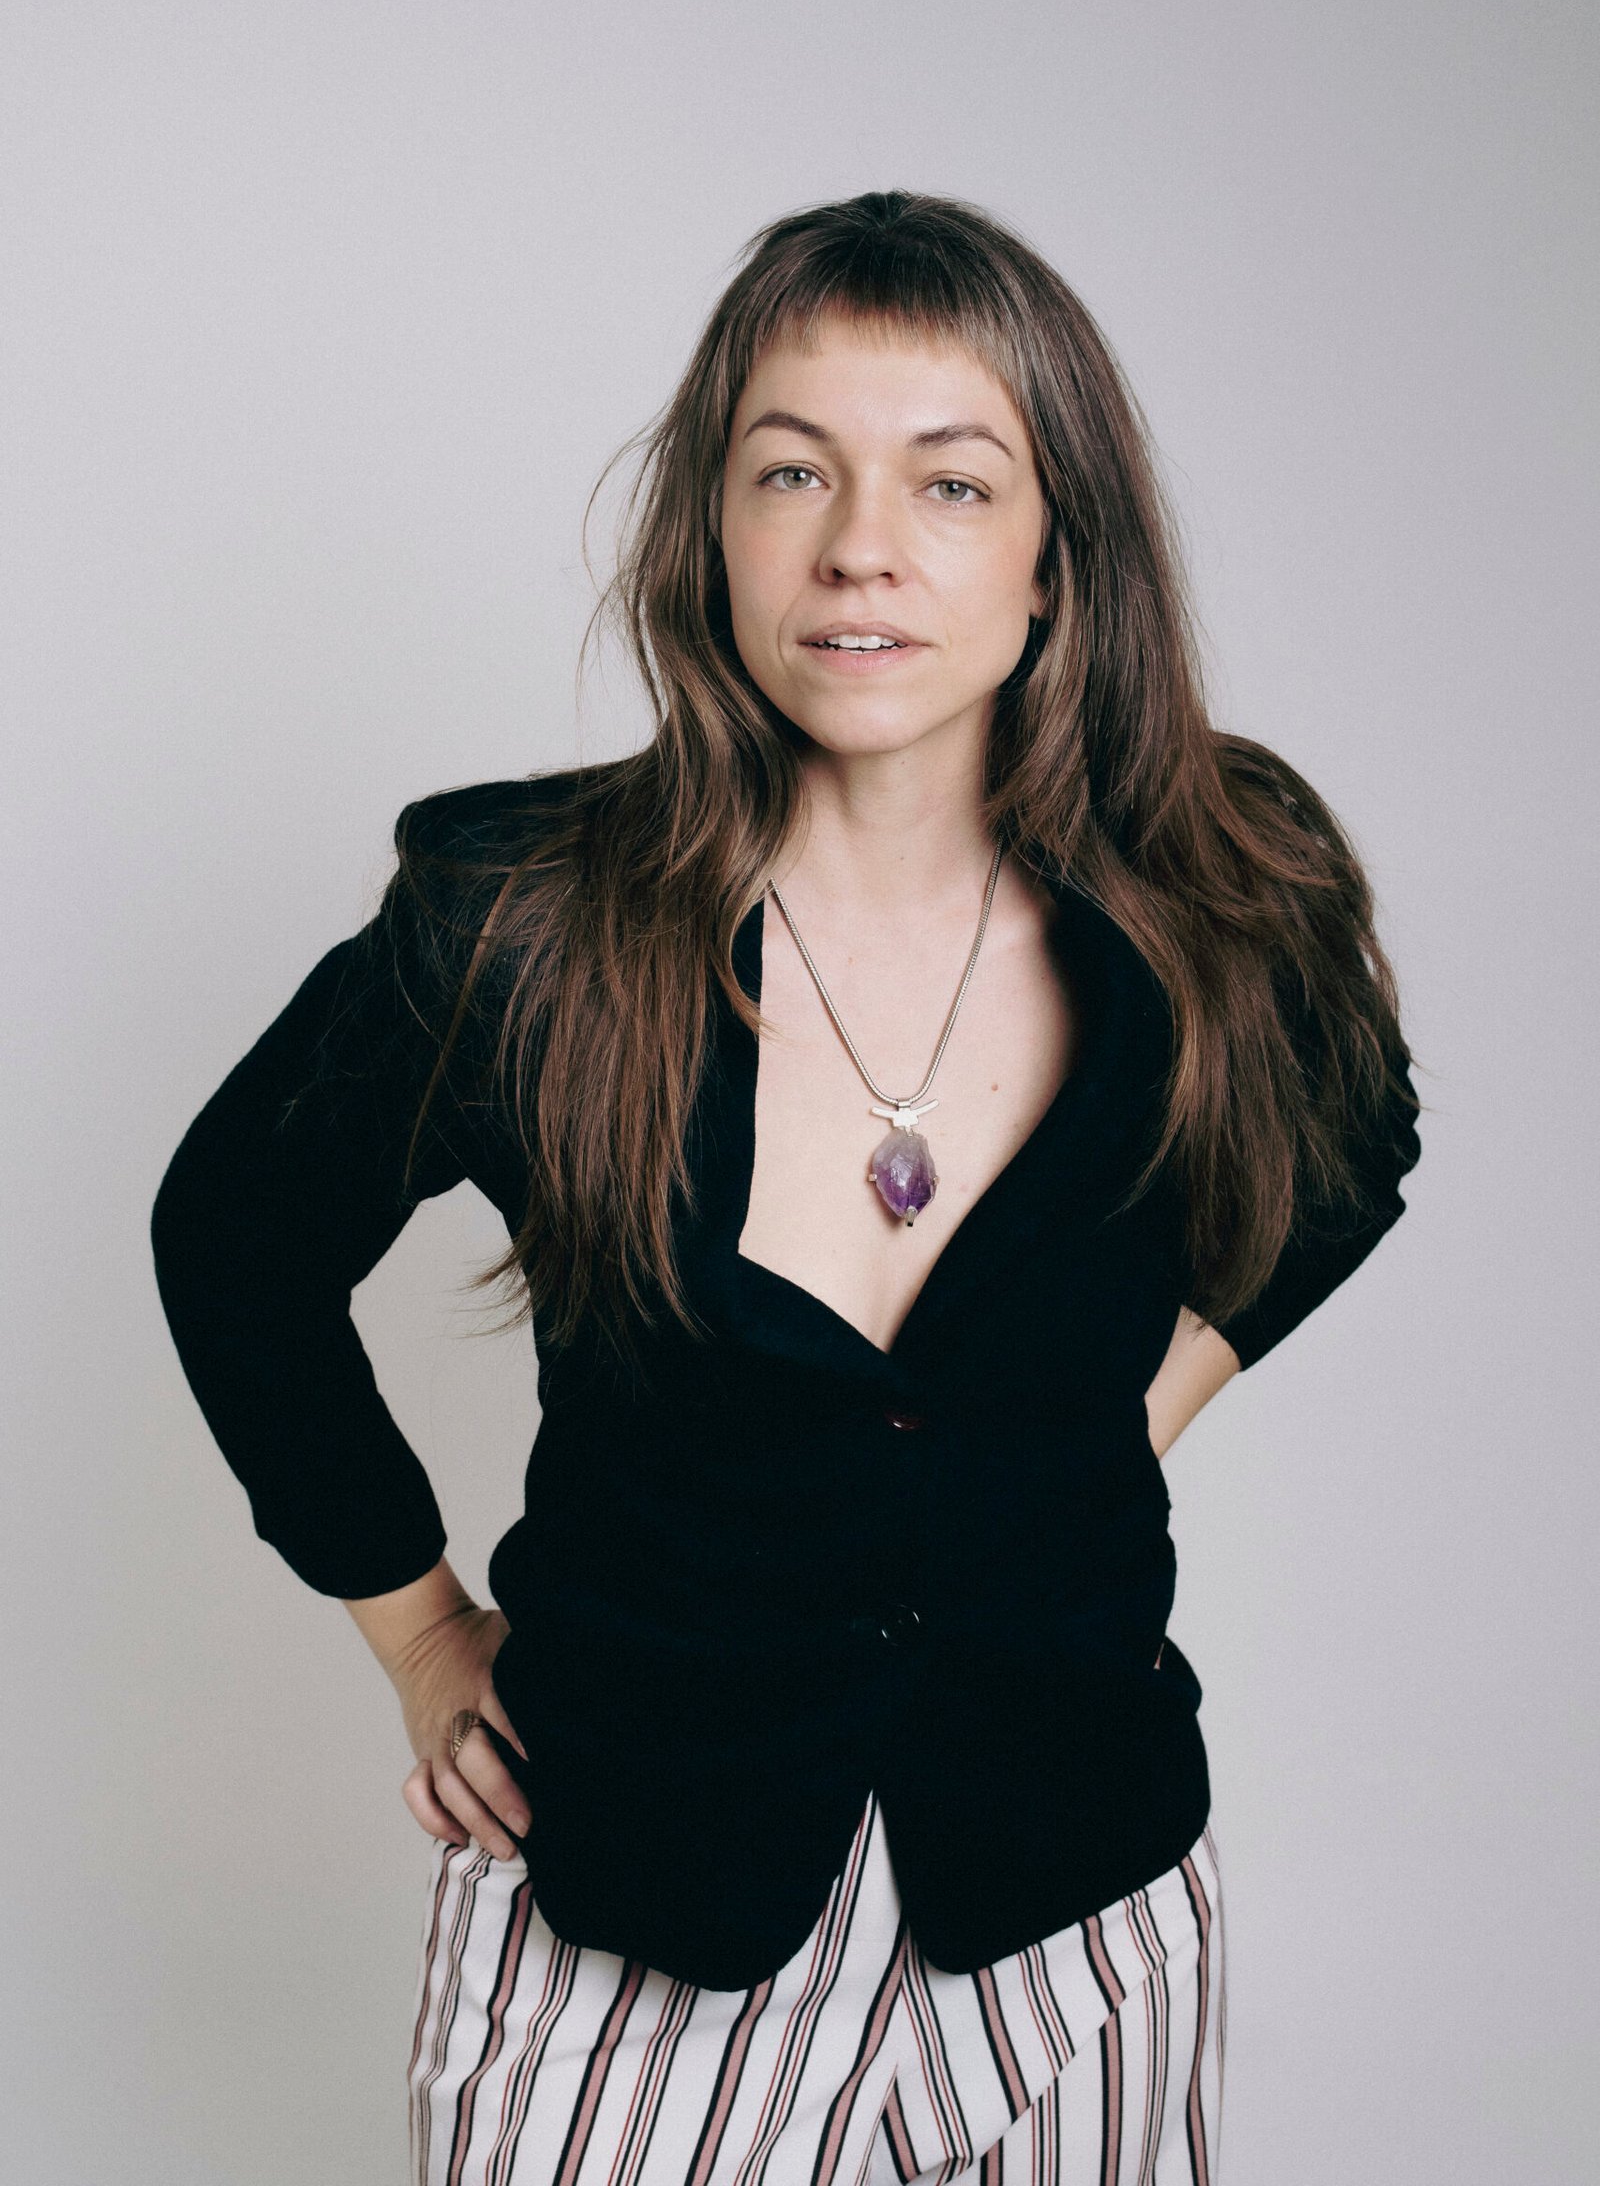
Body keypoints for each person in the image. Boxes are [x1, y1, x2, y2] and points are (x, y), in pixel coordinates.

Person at [150, 188, 1424, 2183]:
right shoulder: (522, 930)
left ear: (1053, 554)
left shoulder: (1217, 905)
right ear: (713, 530)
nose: (859, 547)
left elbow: (1352, 1150)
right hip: (630, 1929)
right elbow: (234, 1239)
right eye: (791, 471)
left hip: (1077, 1926)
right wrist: (418, 1635)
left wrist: (1123, 1418)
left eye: (951, 483)